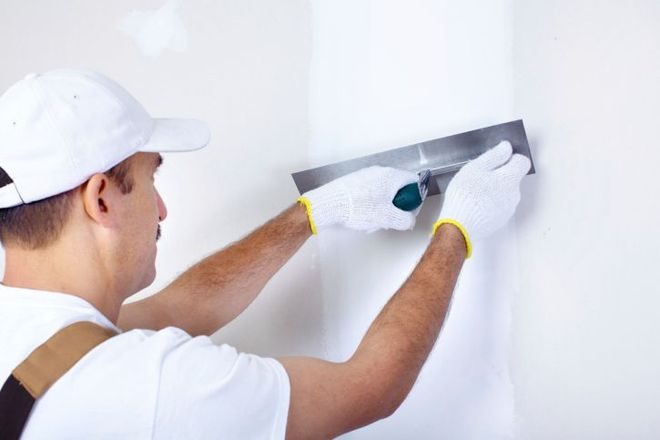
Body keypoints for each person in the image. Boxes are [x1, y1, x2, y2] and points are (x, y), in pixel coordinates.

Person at [0, 68, 530, 439]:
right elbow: (366, 388)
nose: (161, 210)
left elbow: (179, 309)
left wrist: (314, 212)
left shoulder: (39, 333)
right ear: (100, 199)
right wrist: (455, 231)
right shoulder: (152, 387)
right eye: (149, 178)